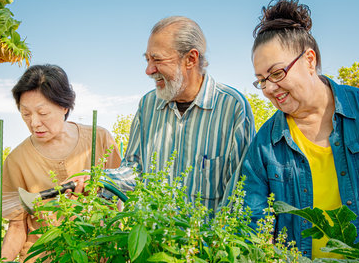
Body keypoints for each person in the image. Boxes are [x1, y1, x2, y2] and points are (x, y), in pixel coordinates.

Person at [242, 0, 359, 259]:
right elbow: (251, 218)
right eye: (261, 80)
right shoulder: (264, 144)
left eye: (277, 73)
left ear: (309, 60)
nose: (269, 88)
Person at [0, 64, 121, 263]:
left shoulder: (99, 139)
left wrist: (100, 192)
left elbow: (120, 197)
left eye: (42, 113)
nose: (34, 123)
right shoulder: (16, 161)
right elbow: (16, 227)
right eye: (25, 114)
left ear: (64, 106)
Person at [104, 16, 255, 213]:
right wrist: (99, 180)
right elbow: (134, 169)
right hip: (153, 240)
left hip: (205, 242)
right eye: (147, 60)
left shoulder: (233, 107)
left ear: (191, 59)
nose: (149, 70)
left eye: (157, 60)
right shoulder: (148, 105)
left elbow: (239, 192)